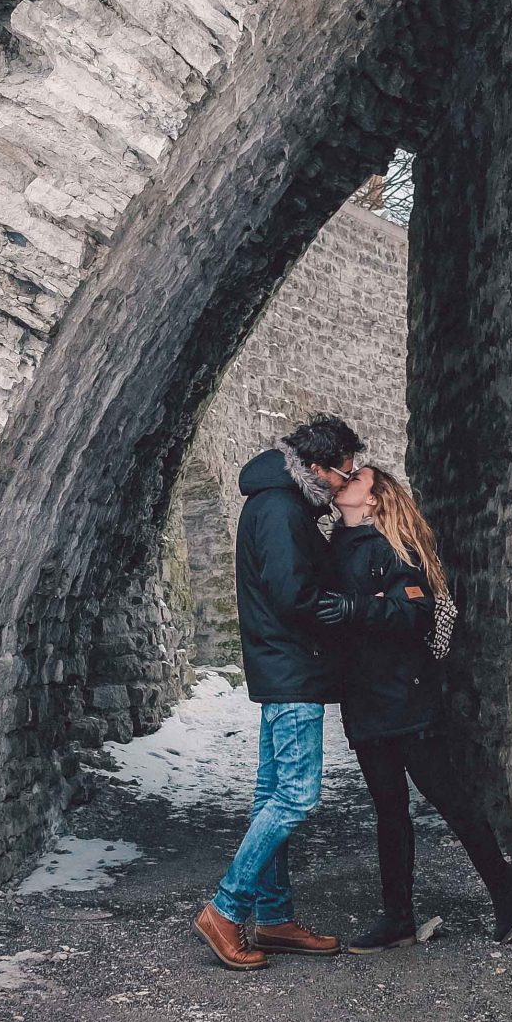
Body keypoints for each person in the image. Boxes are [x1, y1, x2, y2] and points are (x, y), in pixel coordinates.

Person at [317, 464, 512, 952]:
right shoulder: (332, 547)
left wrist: (358, 608)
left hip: (407, 699)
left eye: (355, 481)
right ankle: (398, 918)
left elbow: (413, 611)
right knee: (388, 811)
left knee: (448, 798)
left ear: (372, 501)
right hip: (364, 702)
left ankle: (504, 885)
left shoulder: (396, 548)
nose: (342, 483)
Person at [193, 414, 365, 970]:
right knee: (295, 795)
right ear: (317, 468)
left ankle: (274, 919)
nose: (349, 479)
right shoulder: (283, 510)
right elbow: (295, 597)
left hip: (283, 668)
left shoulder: (275, 503)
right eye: (344, 470)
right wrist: (348, 614)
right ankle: (226, 909)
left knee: (273, 795)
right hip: (293, 669)